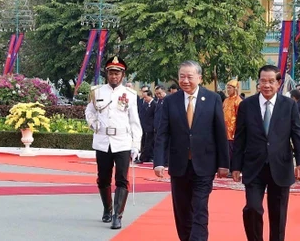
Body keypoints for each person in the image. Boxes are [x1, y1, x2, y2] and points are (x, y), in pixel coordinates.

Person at [154, 61, 229, 241]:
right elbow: (162, 133)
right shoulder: (170, 101)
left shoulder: (213, 99)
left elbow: (220, 133)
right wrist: (158, 162)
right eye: (182, 76)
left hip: (204, 165)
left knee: (200, 209)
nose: (185, 80)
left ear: (200, 78)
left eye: (189, 76)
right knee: (182, 211)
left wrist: (224, 164)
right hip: (179, 165)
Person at [231, 65, 300, 241]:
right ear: (258, 82)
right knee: (252, 208)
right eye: (263, 81)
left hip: (280, 166)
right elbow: (240, 137)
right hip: (253, 167)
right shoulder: (246, 105)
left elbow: (298, 134)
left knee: (278, 215)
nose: (267, 85)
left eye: (271, 81)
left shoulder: (288, 105)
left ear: (278, 83)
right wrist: (235, 166)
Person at [85, 56, 142, 230]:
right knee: (103, 178)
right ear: (106, 74)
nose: (114, 76)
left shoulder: (130, 95)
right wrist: (95, 125)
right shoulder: (97, 92)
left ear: (123, 75)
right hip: (103, 141)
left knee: (122, 179)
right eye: (111, 73)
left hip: (123, 142)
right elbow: (90, 112)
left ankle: (118, 215)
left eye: (117, 73)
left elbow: (135, 121)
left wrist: (136, 144)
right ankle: (107, 208)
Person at [138, 86, 155, 165]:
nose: (144, 99)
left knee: (148, 143)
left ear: (150, 96)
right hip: (145, 126)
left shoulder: (154, 104)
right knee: (145, 142)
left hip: (151, 127)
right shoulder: (146, 104)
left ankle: (143, 157)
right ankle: (147, 157)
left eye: (145, 97)